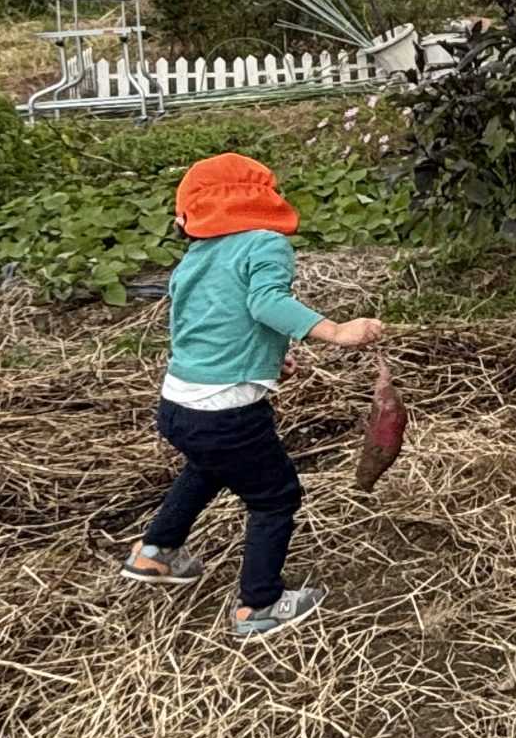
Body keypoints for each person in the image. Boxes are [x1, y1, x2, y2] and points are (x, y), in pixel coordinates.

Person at [122, 153, 386, 640]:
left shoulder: (197, 257)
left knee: (207, 467)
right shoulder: (266, 243)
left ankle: (155, 552)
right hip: (227, 412)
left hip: (179, 403)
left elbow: (210, 320)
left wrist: (266, 358)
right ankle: (259, 606)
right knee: (275, 497)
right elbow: (265, 302)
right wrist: (336, 331)